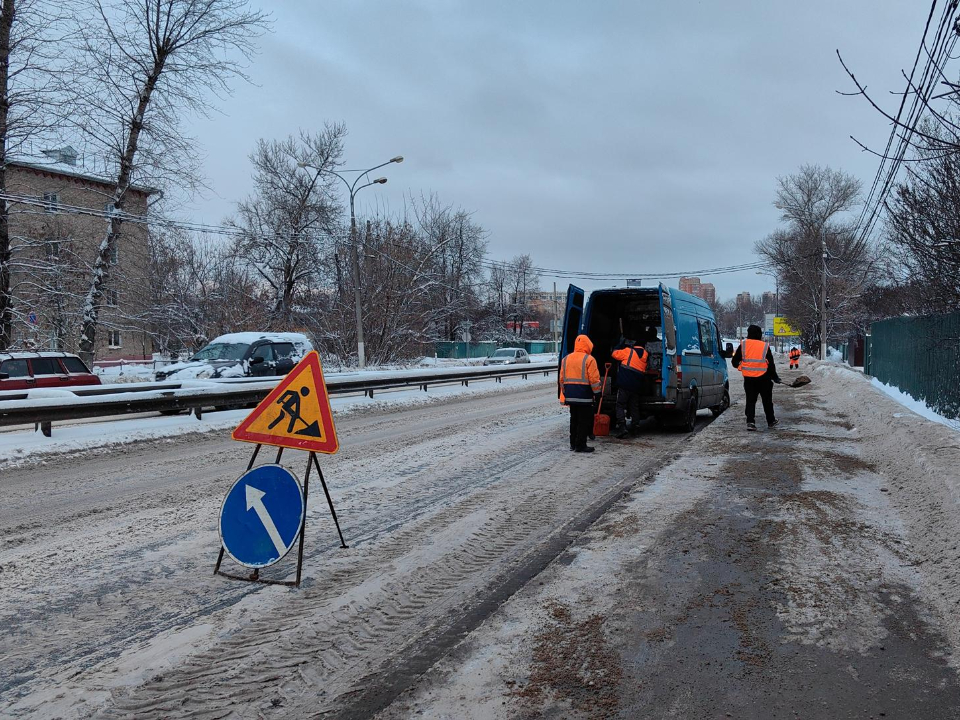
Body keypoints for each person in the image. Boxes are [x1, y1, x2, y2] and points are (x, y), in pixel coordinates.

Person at [731, 324, 782, 431]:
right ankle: (771, 421)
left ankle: (750, 422)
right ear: (759, 334)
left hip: (749, 379)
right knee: (767, 401)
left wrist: (743, 367)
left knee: (750, 400)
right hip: (764, 378)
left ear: (749, 333)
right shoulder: (764, 346)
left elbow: (734, 362)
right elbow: (771, 364)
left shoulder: (743, 345)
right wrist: (775, 377)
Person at [560, 334, 601, 453]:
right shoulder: (589, 359)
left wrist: (565, 393)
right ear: (588, 345)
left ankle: (572, 443)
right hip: (584, 396)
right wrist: (597, 393)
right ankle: (581, 445)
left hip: (571, 395)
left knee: (574, 420)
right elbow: (594, 379)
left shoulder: (566, 359)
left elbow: (562, 379)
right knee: (583, 421)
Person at [611, 336, 648, 438]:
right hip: (636, 386)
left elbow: (614, 354)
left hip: (625, 384)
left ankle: (622, 427)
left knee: (620, 405)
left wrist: (620, 344)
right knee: (634, 406)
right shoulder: (645, 355)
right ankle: (635, 427)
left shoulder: (628, 351)